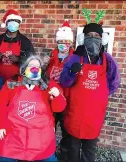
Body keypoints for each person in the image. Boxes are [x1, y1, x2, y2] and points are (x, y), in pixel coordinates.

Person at [60, 10, 120, 162]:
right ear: (83, 38)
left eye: (97, 36)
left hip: (95, 114)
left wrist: (99, 96)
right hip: (75, 111)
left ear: (102, 39)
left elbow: (114, 82)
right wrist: (71, 73)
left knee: (89, 150)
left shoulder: (108, 61)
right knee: (72, 149)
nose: (93, 39)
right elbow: (64, 82)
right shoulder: (74, 58)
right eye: (89, 36)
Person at [0, 54, 67, 162]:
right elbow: (0, 104)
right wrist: (0, 126)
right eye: (31, 65)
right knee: (5, 156)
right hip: (14, 132)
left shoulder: (48, 84)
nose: (34, 68)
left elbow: (59, 108)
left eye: (37, 66)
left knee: (49, 158)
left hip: (40, 133)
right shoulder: (12, 83)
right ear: (24, 68)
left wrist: (57, 97)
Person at [45, 19, 74, 159]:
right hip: (51, 98)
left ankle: (64, 154)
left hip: (67, 99)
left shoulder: (75, 58)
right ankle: (48, 151)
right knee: (49, 127)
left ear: (71, 43)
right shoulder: (51, 56)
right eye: (61, 42)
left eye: (66, 42)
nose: (63, 45)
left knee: (66, 128)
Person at [0, 9, 35, 81]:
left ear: (19, 24)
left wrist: (19, 59)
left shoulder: (26, 42)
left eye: (16, 21)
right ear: (6, 24)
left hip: (18, 80)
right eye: (10, 21)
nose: (13, 23)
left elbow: (32, 61)